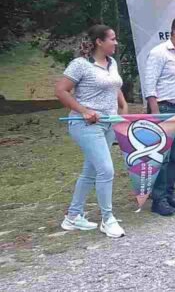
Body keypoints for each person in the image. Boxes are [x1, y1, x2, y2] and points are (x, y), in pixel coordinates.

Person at [54, 24, 126, 238]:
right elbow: (60, 91)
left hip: (109, 123)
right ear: (99, 42)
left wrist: (123, 109)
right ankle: (108, 219)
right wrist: (84, 111)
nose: (116, 42)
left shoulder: (112, 63)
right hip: (85, 125)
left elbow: (115, 87)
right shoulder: (81, 64)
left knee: (91, 171)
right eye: (112, 39)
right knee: (106, 170)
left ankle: (73, 217)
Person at [143, 16, 175, 217]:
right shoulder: (159, 53)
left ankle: (170, 193)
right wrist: (155, 115)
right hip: (163, 110)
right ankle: (158, 199)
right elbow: (150, 86)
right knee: (161, 157)